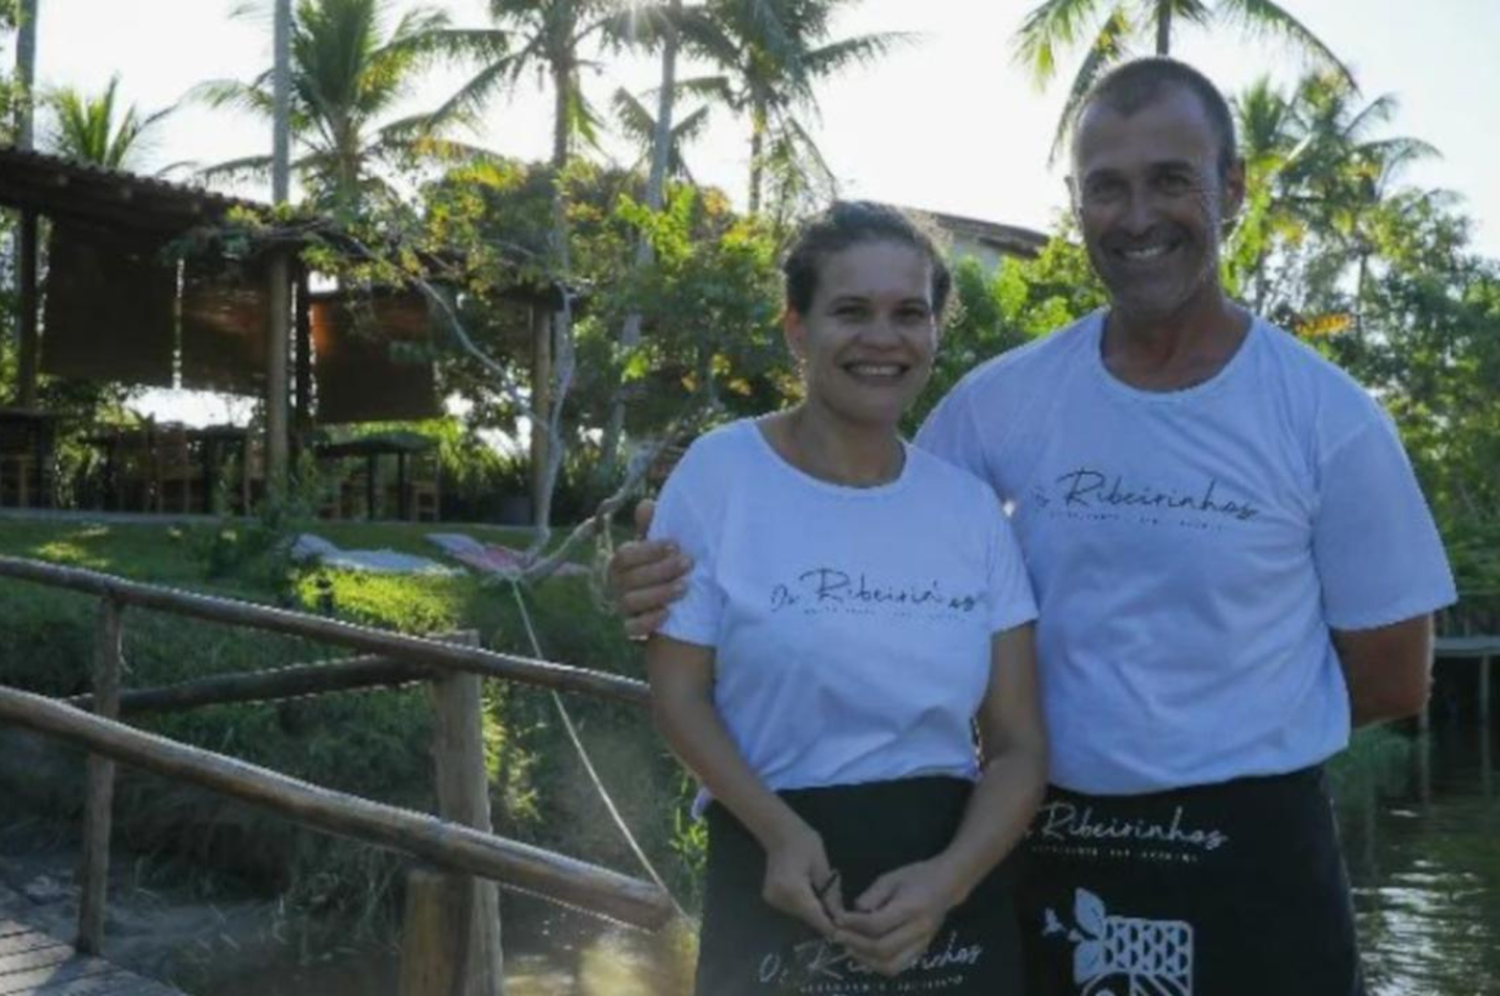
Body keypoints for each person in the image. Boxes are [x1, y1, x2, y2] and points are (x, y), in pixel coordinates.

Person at [612, 58, 1456, 996]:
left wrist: (1202, 740)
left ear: (1232, 189)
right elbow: (860, 521)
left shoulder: (1328, 418)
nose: (1137, 216)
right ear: (1076, 203)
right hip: (1045, 848)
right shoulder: (998, 404)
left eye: (1170, 180)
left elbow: (1390, 676)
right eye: (1106, 187)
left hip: (1252, 856)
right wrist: (656, 569)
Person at [645, 201, 1047, 995]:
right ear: (797, 329)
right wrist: (780, 833)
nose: (882, 339)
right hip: (778, 877)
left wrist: (947, 882)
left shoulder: (971, 511)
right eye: (850, 312)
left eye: (909, 314)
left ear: (935, 330)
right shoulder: (720, 478)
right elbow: (679, 693)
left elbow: (1017, 747)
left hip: (946, 897)